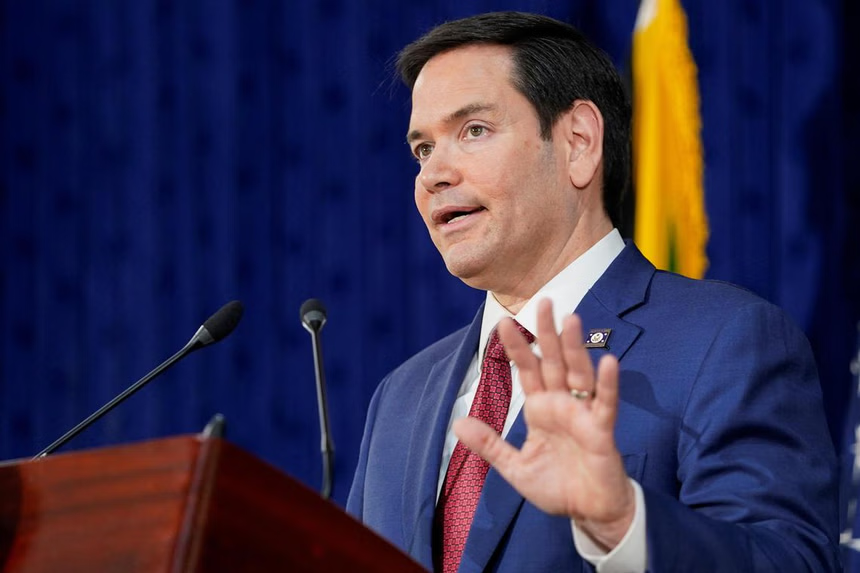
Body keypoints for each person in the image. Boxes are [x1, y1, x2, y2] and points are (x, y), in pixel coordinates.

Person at [347, 11, 839, 572]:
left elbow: (791, 561)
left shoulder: (724, 342)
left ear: (578, 142)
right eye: (422, 150)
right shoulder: (401, 396)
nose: (433, 174)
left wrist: (622, 523)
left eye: (473, 130)